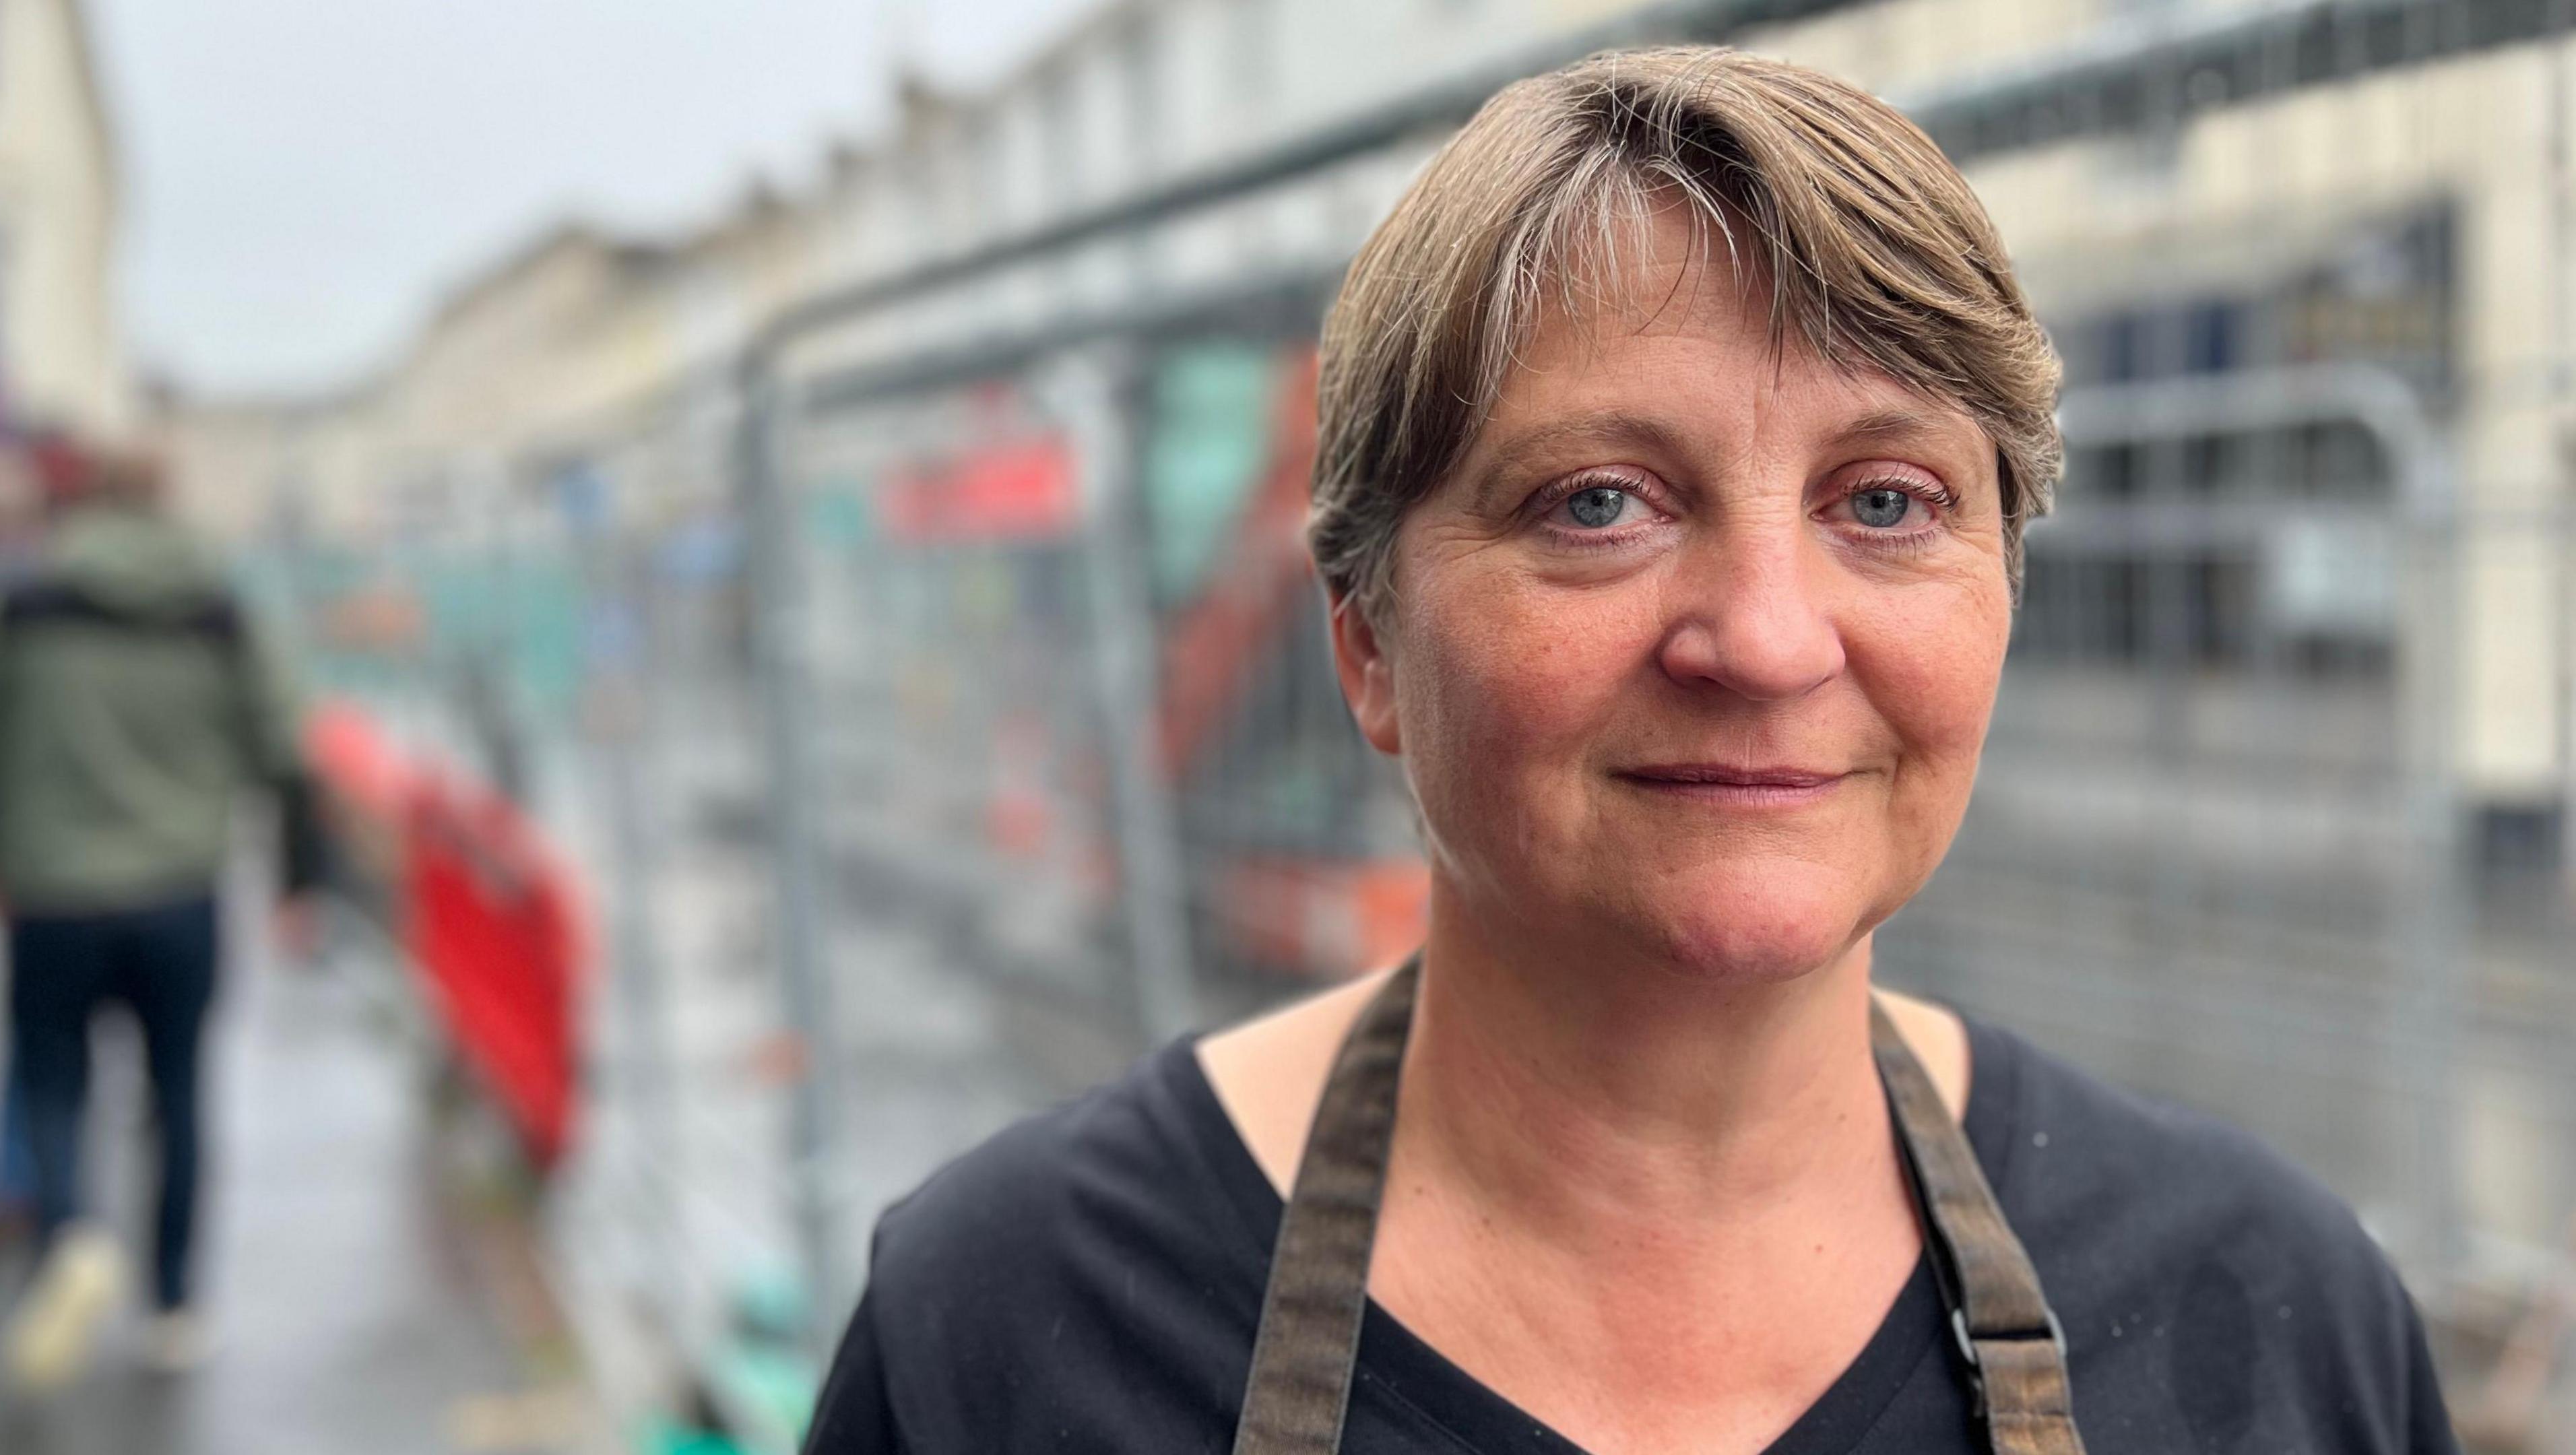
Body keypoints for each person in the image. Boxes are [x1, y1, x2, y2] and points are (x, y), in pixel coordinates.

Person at [806, 47, 2456, 1454]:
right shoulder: (1004, 1330)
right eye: (1599, 503)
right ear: (1369, 642)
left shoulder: (2276, 1322)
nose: (1766, 639)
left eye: (1885, 502)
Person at [0, 443, 323, 1388]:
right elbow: (283, 746)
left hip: (52, 893)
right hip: (181, 894)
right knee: (176, 1094)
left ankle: (73, 1237)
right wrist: (301, 882)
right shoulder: (217, 609)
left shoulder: (25, 607)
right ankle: (174, 1306)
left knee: (52, 1084)